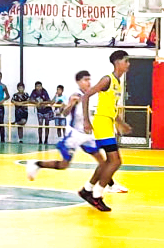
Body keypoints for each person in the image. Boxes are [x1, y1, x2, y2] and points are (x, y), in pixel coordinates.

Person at [25, 71, 125, 210]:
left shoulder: (92, 95)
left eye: (89, 79)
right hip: (74, 135)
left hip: (87, 135)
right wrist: (70, 104)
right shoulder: (76, 95)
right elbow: (64, 113)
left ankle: (102, 187)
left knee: (103, 162)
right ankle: (37, 164)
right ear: (78, 82)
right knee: (64, 165)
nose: (88, 82)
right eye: (85, 80)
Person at [80, 50, 132, 210]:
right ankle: (97, 196)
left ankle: (87, 190)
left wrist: (120, 123)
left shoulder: (118, 82)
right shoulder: (107, 79)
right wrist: (86, 120)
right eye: (126, 61)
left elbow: (111, 107)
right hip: (102, 123)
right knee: (115, 161)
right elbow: (85, 96)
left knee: (107, 162)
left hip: (108, 123)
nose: (128, 64)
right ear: (117, 62)